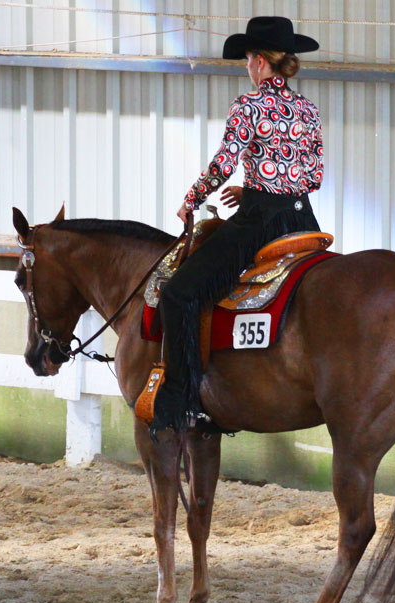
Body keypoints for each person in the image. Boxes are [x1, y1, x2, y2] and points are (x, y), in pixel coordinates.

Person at [150, 16, 324, 436]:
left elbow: (224, 164)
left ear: (262, 63)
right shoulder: (307, 108)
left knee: (178, 294)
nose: (246, 66)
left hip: (258, 223)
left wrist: (191, 200)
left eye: (248, 59)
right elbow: (313, 177)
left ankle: (181, 401)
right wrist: (260, 186)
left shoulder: (249, 106)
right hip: (302, 219)